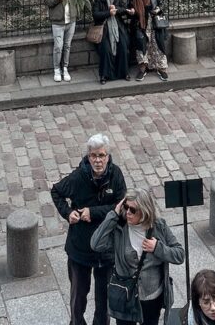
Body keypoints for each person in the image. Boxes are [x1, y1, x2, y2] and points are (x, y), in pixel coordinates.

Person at [52, 133, 126, 325]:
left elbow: (121, 205)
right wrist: (68, 213)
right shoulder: (78, 177)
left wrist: (92, 212)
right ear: (88, 157)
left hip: (106, 250)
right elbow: (56, 191)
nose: (98, 160)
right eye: (94, 156)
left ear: (108, 156)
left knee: (104, 301)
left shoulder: (116, 175)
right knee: (78, 298)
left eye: (101, 155)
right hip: (80, 249)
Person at [91, 187, 184, 325]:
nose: (128, 212)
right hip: (125, 294)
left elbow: (179, 254)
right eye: (126, 207)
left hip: (151, 296)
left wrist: (158, 248)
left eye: (133, 210)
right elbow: (96, 244)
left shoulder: (159, 226)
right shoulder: (119, 227)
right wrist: (113, 214)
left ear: (145, 211)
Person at [127, 0, 169, 82]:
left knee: (157, 46)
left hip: (154, 25)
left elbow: (161, 5)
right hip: (140, 26)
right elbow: (128, 12)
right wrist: (131, 12)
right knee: (141, 47)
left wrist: (157, 10)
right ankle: (143, 69)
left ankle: (161, 69)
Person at [93, 0, 131, 84]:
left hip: (118, 28)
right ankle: (104, 75)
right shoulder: (99, 0)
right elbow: (96, 15)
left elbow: (125, 10)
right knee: (106, 49)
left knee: (123, 46)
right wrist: (108, 13)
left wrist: (116, 9)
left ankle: (124, 72)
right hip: (104, 29)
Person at [44, 0, 78, 83]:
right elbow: (46, 0)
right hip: (58, 22)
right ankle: (57, 69)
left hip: (71, 21)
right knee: (58, 47)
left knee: (67, 46)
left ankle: (65, 68)